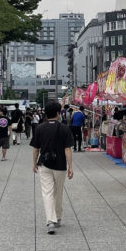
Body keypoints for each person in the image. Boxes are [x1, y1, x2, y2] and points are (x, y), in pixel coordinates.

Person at [31, 100, 74, 233]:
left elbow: (35, 149)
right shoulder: (64, 128)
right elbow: (67, 149)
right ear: (57, 113)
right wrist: (70, 166)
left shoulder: (40, 128)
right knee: (58, 192)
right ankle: (58, 218)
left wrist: (34, 164)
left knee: (47, 193)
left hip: (44, 164)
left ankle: (50, 220)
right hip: (60, 164)